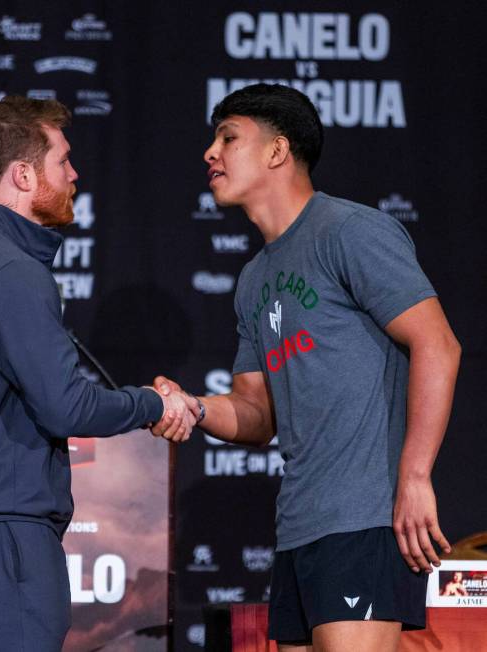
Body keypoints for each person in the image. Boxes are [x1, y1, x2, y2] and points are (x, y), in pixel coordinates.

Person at [152, 83, 461, 652]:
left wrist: (415, 479)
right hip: (299, 527)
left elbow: (439, 345)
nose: (209, 153)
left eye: (228, 137)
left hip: (364, 518)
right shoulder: (253, 279)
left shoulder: (350, 231)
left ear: (277, 151)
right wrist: (193, 407)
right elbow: (255, 413)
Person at [0, 96, 197, 652]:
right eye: (62, 160)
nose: (74, 173)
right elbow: (65, 405)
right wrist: (152, 404)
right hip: (2, 533)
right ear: (23, 173)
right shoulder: (10, 270)